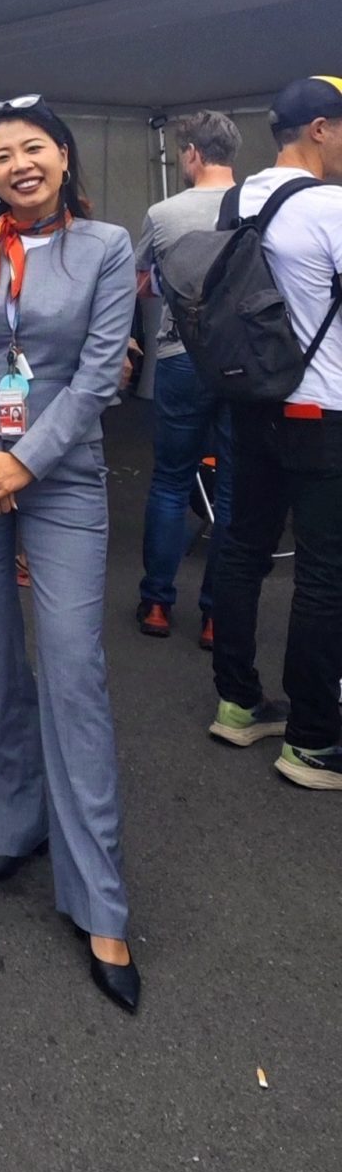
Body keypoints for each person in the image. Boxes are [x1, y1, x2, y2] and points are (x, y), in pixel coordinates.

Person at [0, 95, 139, 1012]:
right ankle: (7, 824)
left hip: (62, 472)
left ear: (62, 154)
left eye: (33, 148)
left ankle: (99, 900)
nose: (17, 164)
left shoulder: (107, 247)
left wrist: (25, 462)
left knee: (71, 669)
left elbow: (101, 370)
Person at [207, 76, 342, 789]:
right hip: (324, 409)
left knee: (243, 549)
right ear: (319, 129)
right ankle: (316, 741)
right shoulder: (331, 207)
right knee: (324, 575)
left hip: (253, 400)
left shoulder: (242, 197)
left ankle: (239, 703)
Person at [134, 111, 241, 648]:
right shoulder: (260, 205)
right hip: (242, 364)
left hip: (181, 355)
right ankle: (216, 615)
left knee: (171, 480)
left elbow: (142, 286)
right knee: (231, 489)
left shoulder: (163, 212)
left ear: (195, 153)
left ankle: (156, 602)